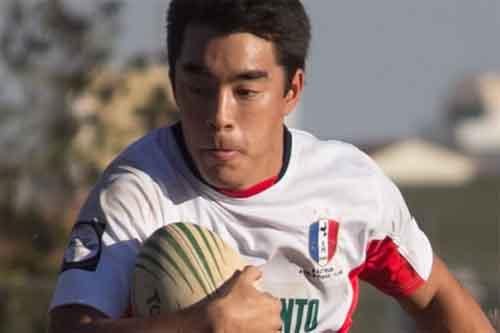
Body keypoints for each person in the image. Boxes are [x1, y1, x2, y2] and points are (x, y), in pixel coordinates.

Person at [48, 1, 495, 332]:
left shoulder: (351, 187)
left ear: (291, 90)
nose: (219, 115)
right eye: (199, 88)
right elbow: (73, 329)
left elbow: (436, 294)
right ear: (174, 85)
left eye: (245, 91)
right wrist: (199, 324)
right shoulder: (136, 191)